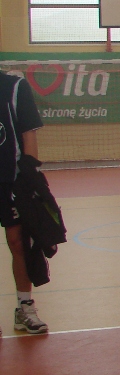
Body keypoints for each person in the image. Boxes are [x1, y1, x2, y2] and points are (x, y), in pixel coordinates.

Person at [0, 70, 46, 336]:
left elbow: (29, 136)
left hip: (12, 180)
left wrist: (31, 181)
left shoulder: (14, 87)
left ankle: (24, 307)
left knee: (18, 242)